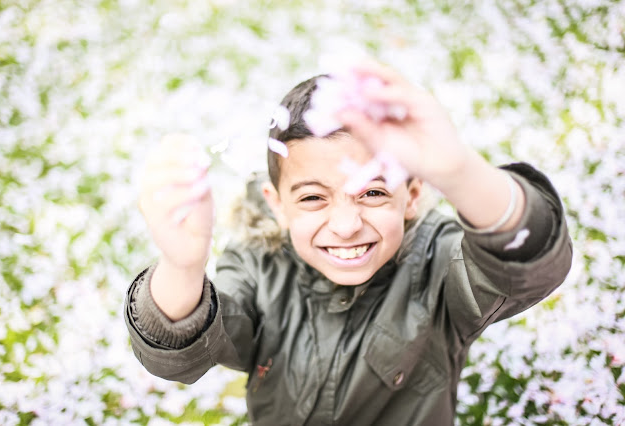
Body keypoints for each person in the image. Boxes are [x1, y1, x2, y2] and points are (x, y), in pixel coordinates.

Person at [124, 60, 572, 426]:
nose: (345, 225)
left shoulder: (439, 266)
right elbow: (182, 358)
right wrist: (181, 266)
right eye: (314, 198)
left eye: (372, 192)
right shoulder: (256, 264)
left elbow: (526, 267)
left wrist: (458, 171)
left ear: (411, 194)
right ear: (277, 203)